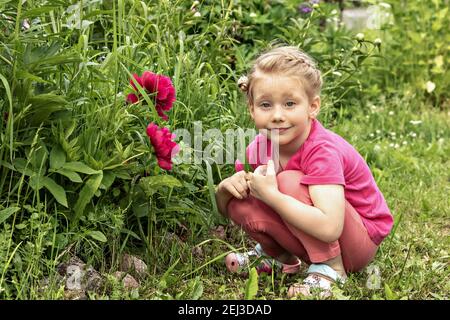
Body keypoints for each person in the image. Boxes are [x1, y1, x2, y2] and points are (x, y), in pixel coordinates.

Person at [215, 46, 393, 298]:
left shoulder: (322, 150)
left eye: (290, 103)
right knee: (243, 198)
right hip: (315, 230)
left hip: (357, 242)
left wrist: (273, 196)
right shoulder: (258, 147)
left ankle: (331, 269)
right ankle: (278, 258)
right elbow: (229, 209)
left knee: (286, 181)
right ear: (252, 110)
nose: (277, 116)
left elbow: (331, 227)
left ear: (313, 106)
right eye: (266, 105)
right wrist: (224, 189)